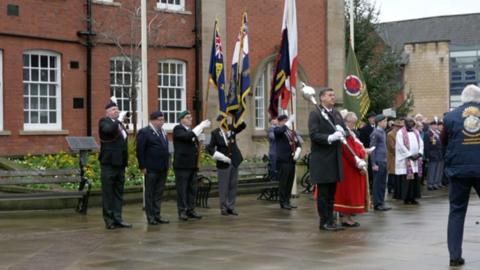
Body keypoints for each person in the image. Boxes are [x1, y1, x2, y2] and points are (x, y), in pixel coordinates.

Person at [443, 84, 480, 267]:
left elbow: (444, 142)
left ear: (462, 98)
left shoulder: (449, 116)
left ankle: (454, 255)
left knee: (457, 211)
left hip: (458, 170)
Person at [308, 88, 345, 231]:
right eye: (330, 95)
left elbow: (344, 130)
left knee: (331, 193)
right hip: (322, 159)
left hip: (334, 158)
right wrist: (329, 137)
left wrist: (343, 131)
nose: (333, 97)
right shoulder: (315, 114)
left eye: (334, 95)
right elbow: (314, 135)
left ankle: (331, 220)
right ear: (322, 98)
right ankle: (324, 222)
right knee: (323, 194)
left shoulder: (336, 113)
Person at [98, 98, 132, 230]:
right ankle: (109, 220)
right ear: (107, 112)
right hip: (108, 163)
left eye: (117, 109)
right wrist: (118, 121)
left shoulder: (120, 124)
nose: (116, 111)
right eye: (113, 109)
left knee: (118, 192)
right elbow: (108, 132)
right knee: (108, 193)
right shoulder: (104, 122)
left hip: (120, 164)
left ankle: (118, 218)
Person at [173, 111, 211, 221]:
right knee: (182, 189)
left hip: (192, 165)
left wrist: (200, 140)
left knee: (192, 189)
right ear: (181, 120)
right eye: (187, 117)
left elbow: (194, 142)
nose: (190, 119)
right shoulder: (178, 129)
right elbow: (187, 137)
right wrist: (201, 126)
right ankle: (182, 211)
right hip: (182, 166)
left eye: (191, 117)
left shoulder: (191, 130)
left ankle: (190, 209)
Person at [334, 111, 368, 227]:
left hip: (351, 166)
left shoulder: (350, 133)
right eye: (352, 123)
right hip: (349, 167)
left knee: (351, 192)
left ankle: (348, 217)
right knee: (348, 193)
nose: (353, 125)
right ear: (346, 122)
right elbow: (349, 151)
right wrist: (358, 161)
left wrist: (362, 152)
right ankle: (346, 218)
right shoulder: (345, 133)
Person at [206, 116, 246, 216]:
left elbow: (242, 126)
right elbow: (210, 148)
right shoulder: (215, 133)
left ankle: (231, 207)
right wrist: (221, 157)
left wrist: (239, 116)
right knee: (224, 186)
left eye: (226, 120)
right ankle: (223, 207)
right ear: (219, 122)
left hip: (234, 161)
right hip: (223, 163)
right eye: (222, 121)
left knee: (233, 185)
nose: (224, 122)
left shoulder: (232, 128)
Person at [136, 111, 170, 225]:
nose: (162, 122)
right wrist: (142, 166)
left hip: (162, 167)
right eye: (160, 119)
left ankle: (157, 214)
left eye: (163, 119)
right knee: (150, 193)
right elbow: (140, 151)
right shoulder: (144, 132)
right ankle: (150, 216)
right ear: (153, 120)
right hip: (151, 168)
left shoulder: (162, 131)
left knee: (158, 193)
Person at [274, 114, 302, 210]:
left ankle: (287, 200)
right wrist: (288, 122)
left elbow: (298, 143)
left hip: (291, 160)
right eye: (284, 121)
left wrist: (298, 151)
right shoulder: (277, 130)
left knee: (289, 182)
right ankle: (283, 202)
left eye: (287, 120)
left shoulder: (291, 132)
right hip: (283, 161)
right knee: (283, 183)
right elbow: (281, 131)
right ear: (280, 122)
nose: (286, 122)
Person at [395, 117, 424, 205]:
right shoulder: (400, 132)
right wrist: (409, 155)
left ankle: (413, 197)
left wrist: (419, 153)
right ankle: (406, 198)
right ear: (405, 123)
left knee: (415, 180)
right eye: (408, 122)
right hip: (406, 160)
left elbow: (421, 143)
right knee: (407, 180)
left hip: (415, 160)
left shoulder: (416, 131)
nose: (410, 124)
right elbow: (400, 145)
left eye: (411, 122)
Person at [370, 114, 391, 211]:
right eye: (384, 121)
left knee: (382, 183)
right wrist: (373, 163)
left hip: (383, 160)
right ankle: (377, 203)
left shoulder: (383, 132)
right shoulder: (376, 133)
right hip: (378, 161)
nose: (386, 123)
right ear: (379, 122)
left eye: (386, 121)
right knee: (377, 183)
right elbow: (372, 149)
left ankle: (381, 202)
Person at [424, 118, 444, 191]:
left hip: (439, 154)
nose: (435, 126)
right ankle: (430, 184)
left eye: (436, 125)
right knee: (432, 170)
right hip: (432, 154)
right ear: (431, 126)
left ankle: (437, 183)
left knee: (439, 170)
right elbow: (426, 146)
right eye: (434, 125)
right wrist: (427, 156)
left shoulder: (438, 133)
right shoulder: (428, 134)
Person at [359, 111, 376, 192]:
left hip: (377, 153)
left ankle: (375, 187)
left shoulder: (378, 128)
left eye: (374, 118)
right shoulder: (364, 129)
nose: (373, 119)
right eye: (371, 118)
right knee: (370, 172)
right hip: (368, 152)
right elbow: (362, 141)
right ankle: (370, 188)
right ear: (369, 119)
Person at [387, 119, 404, 198]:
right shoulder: (390, 134)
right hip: (393, 156)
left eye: (400, 126)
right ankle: (390, 188)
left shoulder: (401, 134)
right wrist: (400, 152)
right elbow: (391, 147)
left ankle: (395, 187)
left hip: (399, 156)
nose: (398, 128)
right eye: (397, 126)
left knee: (397, 173)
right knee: (392, 173)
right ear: (394, 126)